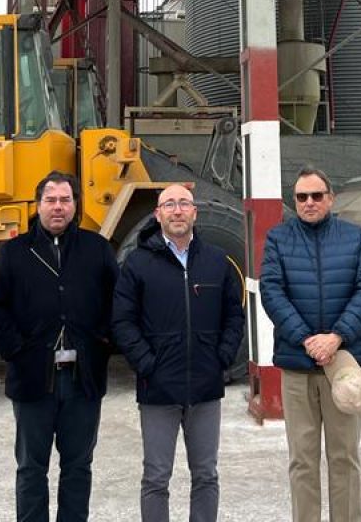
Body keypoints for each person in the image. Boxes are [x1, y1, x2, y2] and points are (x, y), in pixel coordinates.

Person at [0, 171, 118, 522]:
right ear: (38, 204)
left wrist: (103, 342)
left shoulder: (97, 248)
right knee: (30, 468)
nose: (58, 207)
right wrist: (17, 350)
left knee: (78, 467)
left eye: (65, 200)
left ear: (75, 205)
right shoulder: (14, 252)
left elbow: (118, 302)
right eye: (51, 200)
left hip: (83, 379)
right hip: (32, 380)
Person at [111, 184, 245, 522]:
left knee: (206, 475)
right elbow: (123, 321)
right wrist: (146, 364)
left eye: (184, 203)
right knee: (156, 478)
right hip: (158, 390)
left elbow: (234, 315)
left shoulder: (216, 262)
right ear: (158, 214)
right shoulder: (138, 264)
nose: (177, 210)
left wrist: (221, 359)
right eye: (169, 204)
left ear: (195, 212)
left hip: (204, 388)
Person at [260, 166, 361, 522]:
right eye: (301, 197)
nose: (309, 202)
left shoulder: (354, 237)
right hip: (298, 365)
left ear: (331, 198)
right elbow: (272, 291)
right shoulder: (278, 239)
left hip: (343, 365)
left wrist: (337, 336)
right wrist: (307, 340)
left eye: (316, 195)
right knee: (302, 460)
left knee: (344, 457)